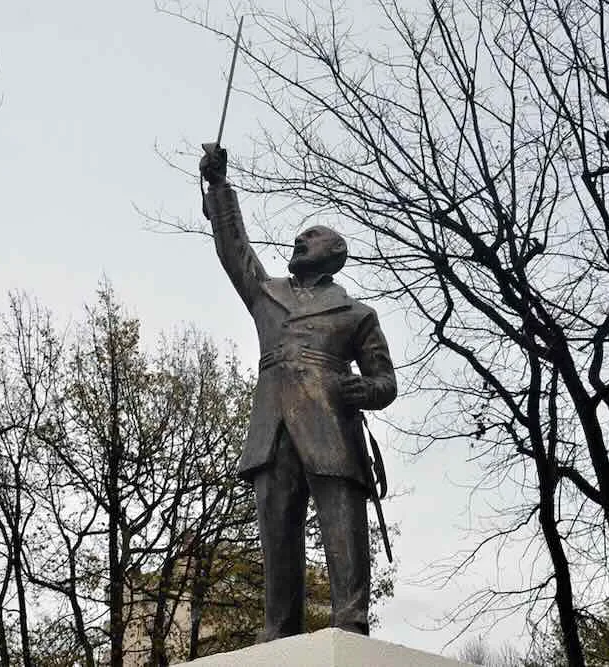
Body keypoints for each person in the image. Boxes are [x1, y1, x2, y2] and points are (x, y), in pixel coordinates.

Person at [199, 145, 397, 640]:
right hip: (272, 431)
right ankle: (278, 631)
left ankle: (349, 623)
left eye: (311, 236)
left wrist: (365, 389)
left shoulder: (356, 314)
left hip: (331, 427)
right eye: (299, 235)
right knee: (277, 536)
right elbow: (234, 250)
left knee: (343, 528)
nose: (299, 239)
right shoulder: (268, 295)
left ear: (334, 254)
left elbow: (385, 381)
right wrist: (219, 187)